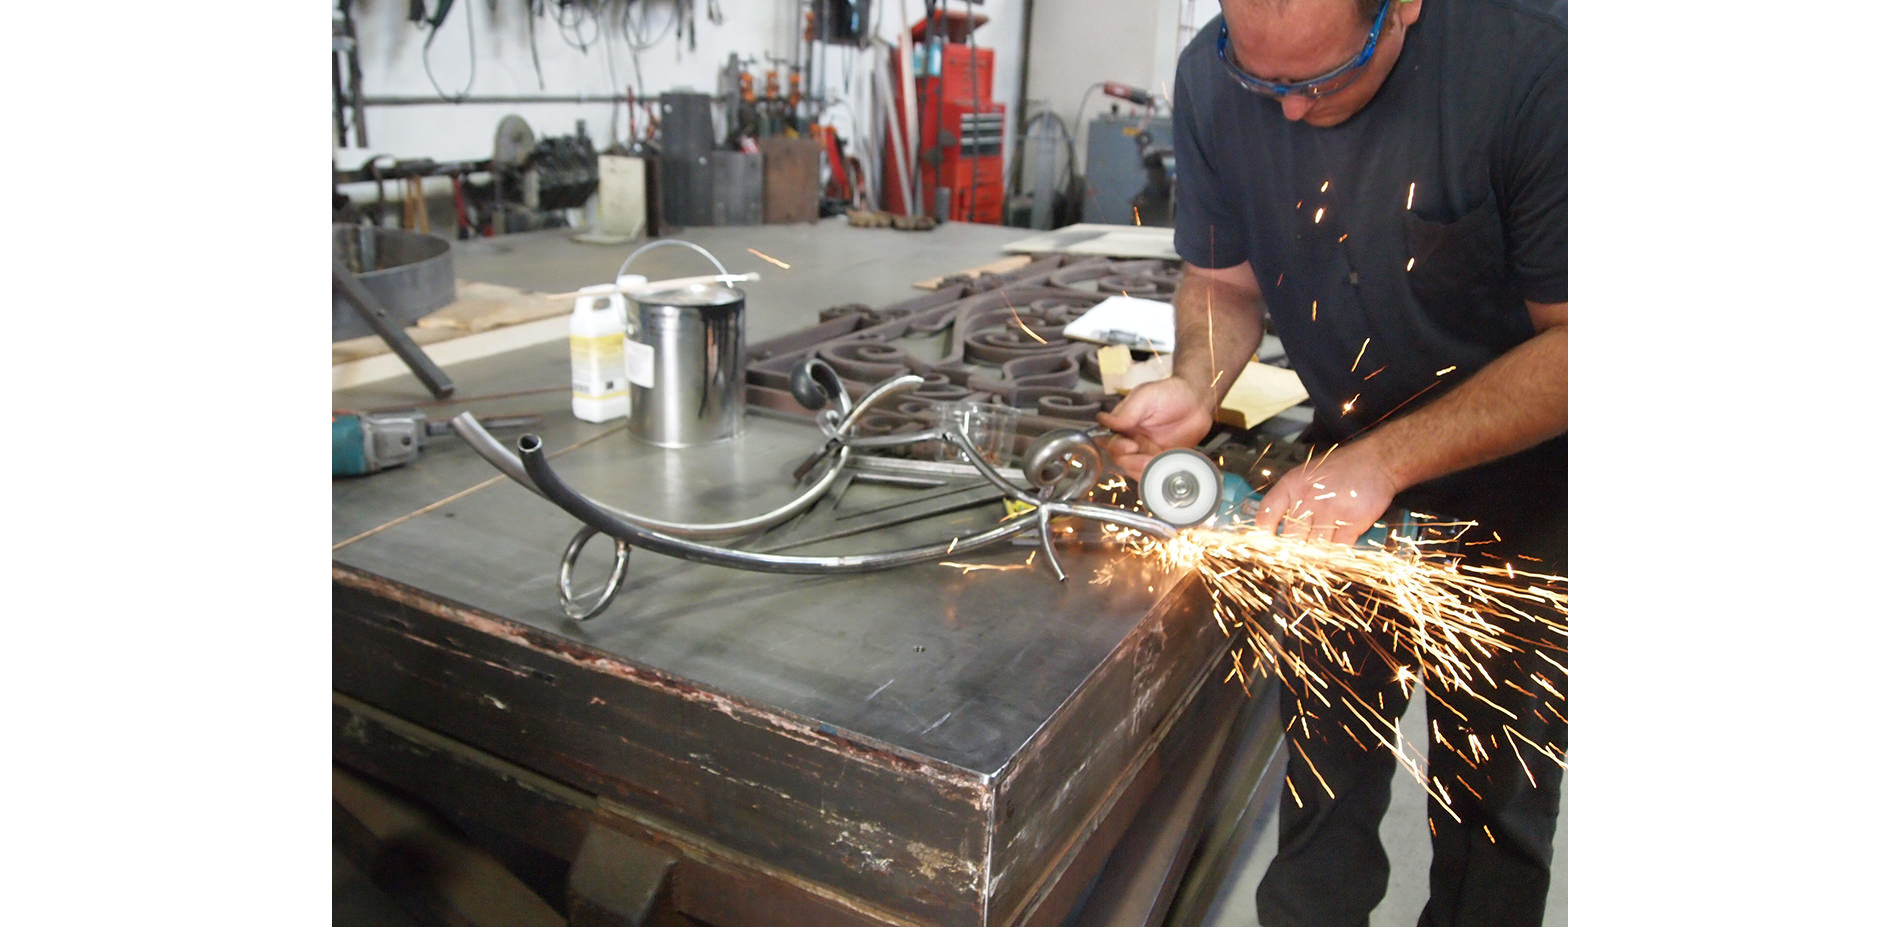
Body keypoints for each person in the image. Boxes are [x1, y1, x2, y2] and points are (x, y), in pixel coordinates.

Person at [1095, 0, 1567, 924]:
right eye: (1260, 80)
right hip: (1335, 473)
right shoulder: (1210, 75)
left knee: (1493, 814)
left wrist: (1384, 464)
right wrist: (1198, 380)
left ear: (1405, 11)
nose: (1289, 114)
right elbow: (1222, 281)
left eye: (1316, 82)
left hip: (1523, 486)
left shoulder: (1534, 66)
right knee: (1321, 775)